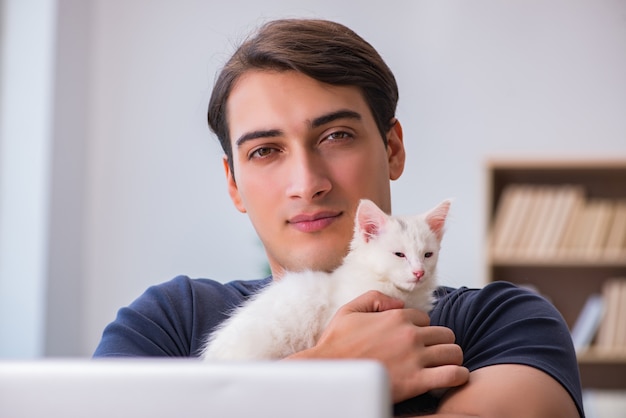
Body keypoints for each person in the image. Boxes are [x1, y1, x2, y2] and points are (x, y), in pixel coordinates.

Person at [94, 18, 584, 417]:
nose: (307, 182)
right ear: (233, 184)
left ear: (393, 149)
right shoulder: (167, 321)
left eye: (336, 137)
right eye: (266, 150)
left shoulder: (505, 324)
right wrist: (329, 372)